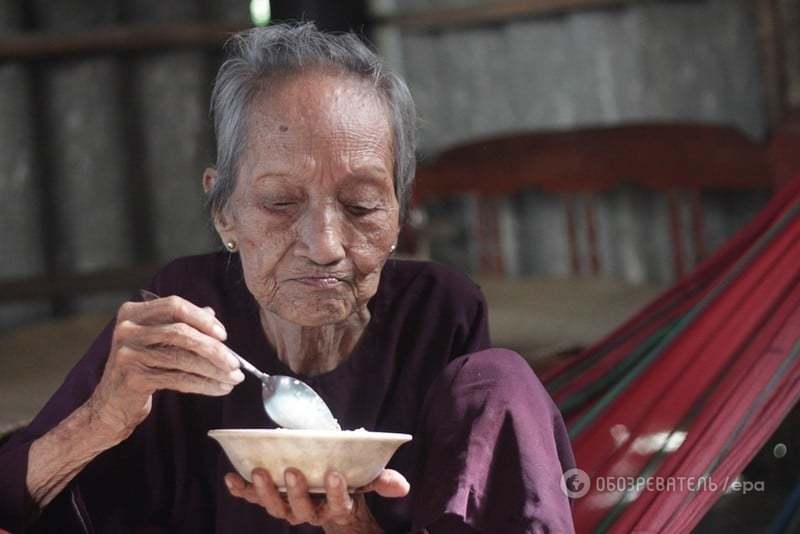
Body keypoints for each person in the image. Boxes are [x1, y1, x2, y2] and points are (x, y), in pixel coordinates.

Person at [0, 23, 575, 533]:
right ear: (223, 210)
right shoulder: (183, 315)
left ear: (399, 213)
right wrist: (103, 416)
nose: (324, 247)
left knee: (503, 378)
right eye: (278, 202)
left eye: (361, 206)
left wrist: (352, 524)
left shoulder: (441, 313)